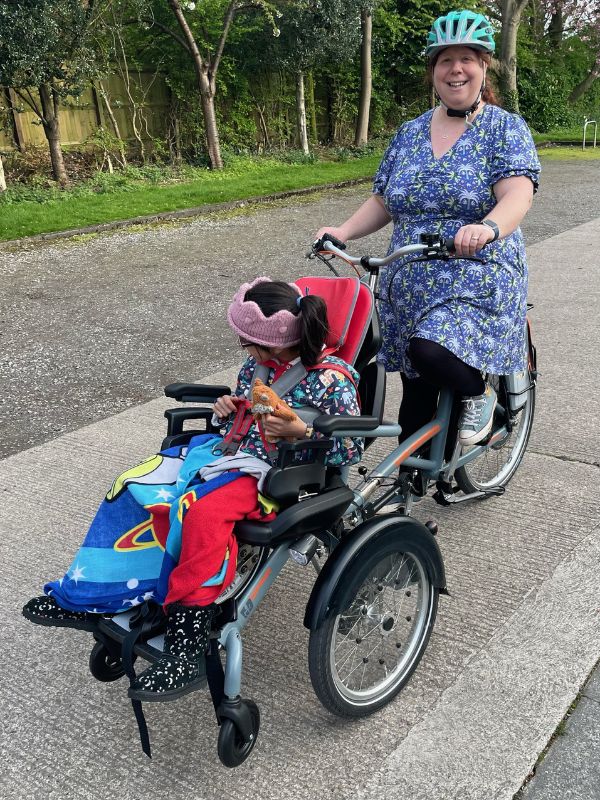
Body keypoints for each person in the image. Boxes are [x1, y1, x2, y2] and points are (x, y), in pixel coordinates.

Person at [23, 277, 363, 701]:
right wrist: (228, 410)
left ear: (276, 343)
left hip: (277, 474)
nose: (246, 352)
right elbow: (241, 415)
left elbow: (351, 447)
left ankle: (188, 641)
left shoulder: (332, 380)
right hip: (223, 453)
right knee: (131, 484)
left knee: (199, 512)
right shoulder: (258, 368)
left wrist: (301, 428)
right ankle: (88, 590)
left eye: (249, 345)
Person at [316, 9, 540, 452]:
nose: (456, 69)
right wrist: (342, 231)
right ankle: (408, 489)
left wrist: (487, 228)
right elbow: (384, 200)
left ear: (483, 66)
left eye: (467, 59)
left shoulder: (504, 128)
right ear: (433, 72)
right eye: (445, 60)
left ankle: (482, 395)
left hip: (477, 268)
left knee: (429, 351)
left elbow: (518, 194)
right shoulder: (410, 132)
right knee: (415, 393)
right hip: (409, 273)